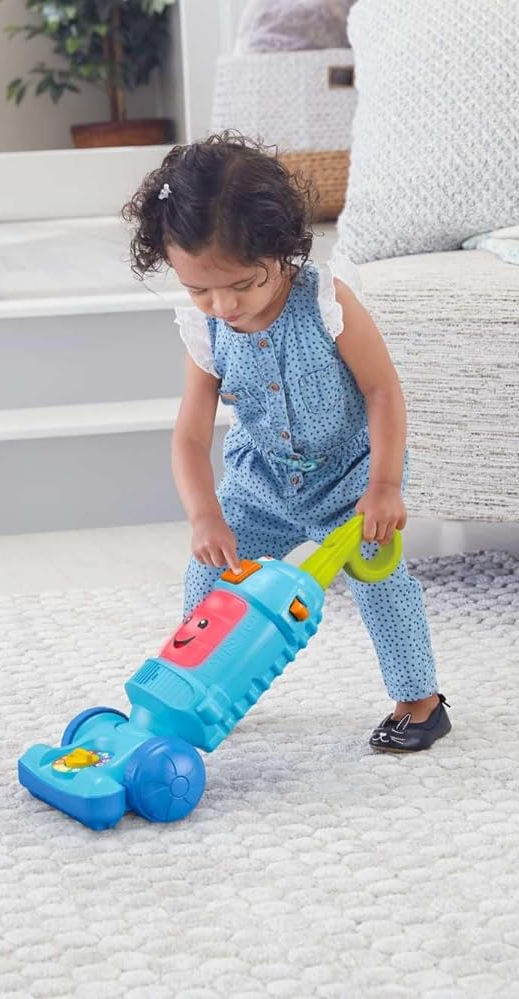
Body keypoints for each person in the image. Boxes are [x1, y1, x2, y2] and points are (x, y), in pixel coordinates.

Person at [122, 132, 450, 752]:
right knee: (208, 584)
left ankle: (420, 703)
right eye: (199, 289)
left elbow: (382, 390)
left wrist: (384, 485)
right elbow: (190, 435)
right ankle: (203, 691)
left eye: (243, 284)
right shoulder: (205, 329)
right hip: (261, 482)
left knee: (380, 582)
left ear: (281, 249)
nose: (222, 304)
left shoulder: (326, 301)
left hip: (352, 477)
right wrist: (205, 516)